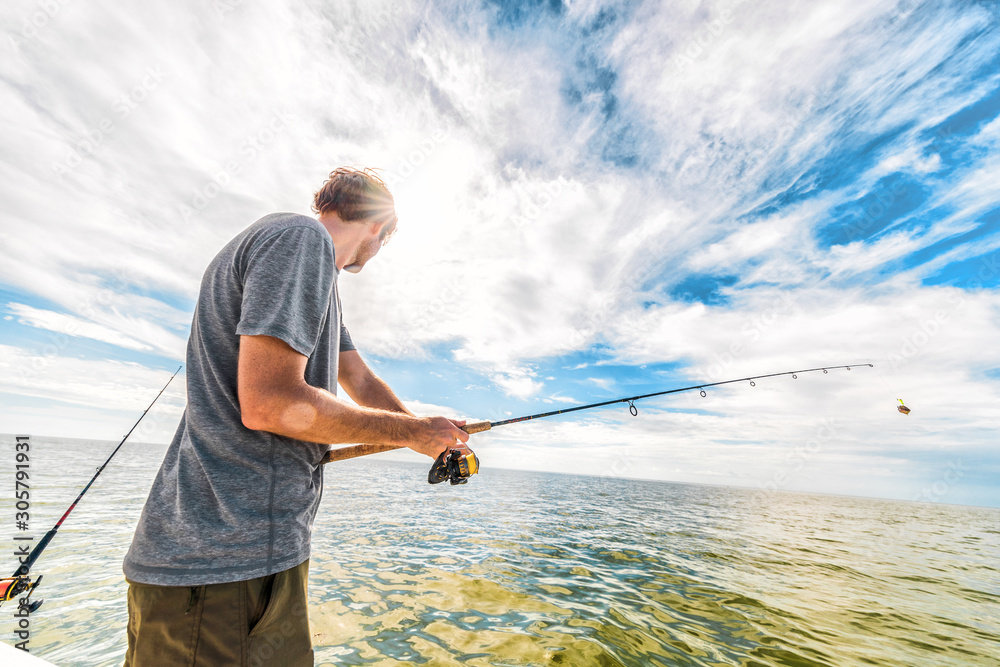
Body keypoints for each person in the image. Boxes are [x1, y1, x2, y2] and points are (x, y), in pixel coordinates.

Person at [122, 167, 470, 666]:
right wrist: (414, 432)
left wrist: (432, 437)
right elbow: (270, 402)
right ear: (378, 226)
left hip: (256, 557)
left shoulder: (319, 276)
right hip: (221, 562)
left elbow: (361, 381)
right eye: (386, 238)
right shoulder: (300, 240)